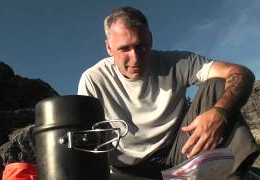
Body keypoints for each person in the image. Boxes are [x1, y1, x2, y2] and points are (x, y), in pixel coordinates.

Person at [78, 6, 259, 180]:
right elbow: (86, 140)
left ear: (150, 39)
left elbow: (240, 73)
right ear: (109, 47)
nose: (135, 58)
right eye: (124, 49)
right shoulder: (93, 80)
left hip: (178, 153)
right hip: (128, 170)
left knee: (218, 85)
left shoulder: (175, 62)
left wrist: (220, 113)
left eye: (141, 46)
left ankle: (234, 174)